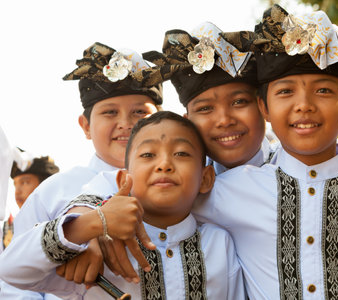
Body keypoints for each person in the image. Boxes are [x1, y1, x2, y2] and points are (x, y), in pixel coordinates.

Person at [85, 21, 338, 297]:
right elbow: (127, 187)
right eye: (205, 109)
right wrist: (93, 226)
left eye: (239, 102)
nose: (304, 105)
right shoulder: (219, 190)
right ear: (269, 107)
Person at [188, 5, 338, 299]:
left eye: (324, 90)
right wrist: (113, 217)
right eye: (286, 91)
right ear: (264, 108)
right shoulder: (229, 192)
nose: (304, 105)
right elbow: (160, 203)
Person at [0, 111, 245, 299]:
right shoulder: (93, 245)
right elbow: (11, 271)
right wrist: (88, 225)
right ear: (122, 179)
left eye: (181, 153)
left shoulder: (219, 243)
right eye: (148, 155)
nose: (164, 165)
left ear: (206, 179)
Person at [0, 42, 162, 299]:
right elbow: (11, 275)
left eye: (139, 112)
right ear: (85, 126)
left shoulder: (185, 180)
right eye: (110, 112)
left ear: (160, 117)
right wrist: (78, 233)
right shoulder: (54, 192)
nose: (125, 123)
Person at [2, 152, 60, 249]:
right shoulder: (8, 227)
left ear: (44, 185)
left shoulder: (61, 220)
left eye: (25, 182)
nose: (17, 191)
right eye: (15, 185)